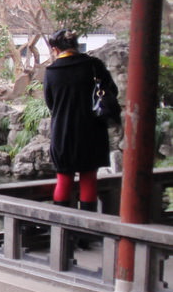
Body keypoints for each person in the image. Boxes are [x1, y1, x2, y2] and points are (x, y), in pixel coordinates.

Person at [43, 29, 120, 212]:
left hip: (63, 130)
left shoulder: (51, 71)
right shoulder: (94, 65)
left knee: (64, 178)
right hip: (91, 129)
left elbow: (50, 103)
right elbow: (112, 91)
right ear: (76, 45)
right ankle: (86, 235)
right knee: (88, 177)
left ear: (55, 49)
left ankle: (61, 228)